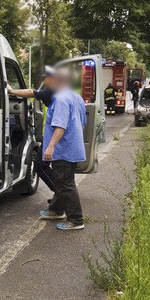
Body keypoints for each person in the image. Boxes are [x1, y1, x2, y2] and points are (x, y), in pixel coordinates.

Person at [39, 67, 87, 231]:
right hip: (72, 148)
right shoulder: (76, 97)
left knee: (65, 184)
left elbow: (60, 126)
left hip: (63, 149)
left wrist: (50, 146)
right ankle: (56, 210)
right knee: (62, 182)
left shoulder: (60, 99)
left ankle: (76, 220)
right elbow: (82, 121)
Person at [7, 66, 57, 192]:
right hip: (57, 136)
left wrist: (11, 91)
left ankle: (62, 194)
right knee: (58, 168)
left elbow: (30, 92)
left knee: (40, 164)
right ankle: (61, 196)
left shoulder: (51, 91)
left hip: (53, 136)